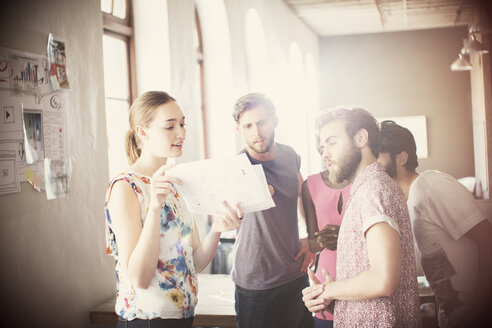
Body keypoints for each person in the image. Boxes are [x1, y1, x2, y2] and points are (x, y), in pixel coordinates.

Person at [104, 91, 242, 328]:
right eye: (169, 127)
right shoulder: (125, 188)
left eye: (182, 123)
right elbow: (139, 278)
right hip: (145, 321)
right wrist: (155, 207)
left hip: (183, 318)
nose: (181, 133)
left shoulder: (177, 183)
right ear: (143, 132)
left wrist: (217, 229)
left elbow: (195, 262)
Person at [302, 107, 421, 327]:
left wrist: (327, 289)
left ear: (360, 138)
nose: (324, 152)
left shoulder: (373, 191)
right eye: (322, 146)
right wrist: (335, 299)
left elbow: (383, 279)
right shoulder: (371, 187)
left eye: (332, 142)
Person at [378, 120, 492, 328]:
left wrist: (482, 306)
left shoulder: (432, 186)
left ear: (402, 157)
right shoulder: (407, 201)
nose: (374, 166)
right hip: (452, 315)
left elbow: (487, 238)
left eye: (379, 156)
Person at [231, 92, 316, 328]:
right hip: (255, 281)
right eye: (248, 125)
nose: (256, 132)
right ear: (239, 130)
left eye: (262, 122)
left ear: (275, 122)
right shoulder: (236, 168)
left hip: (295, 271)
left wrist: (310, 237)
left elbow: (303, 194)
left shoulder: (290, 156)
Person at [301, 157, 351, 328]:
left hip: (361, 279)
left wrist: (345, 236)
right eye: (320, 143)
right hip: (324, 283)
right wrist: (322, 240)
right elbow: (313, 245)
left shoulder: (363, 181)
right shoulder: (310, 185)